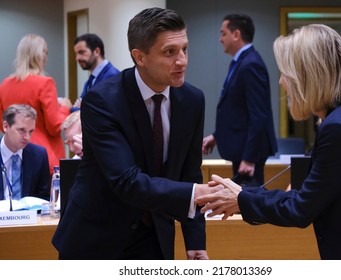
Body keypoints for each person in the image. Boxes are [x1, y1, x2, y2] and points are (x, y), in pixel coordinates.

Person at [196, 24, 341, 260]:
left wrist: (240, 199)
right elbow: (304, 196)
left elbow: (301, 208)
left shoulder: (340, 127)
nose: (281, 82)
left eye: (286, 73)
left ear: (308, 76)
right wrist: (243, 195)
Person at [52, 7, 218, 260]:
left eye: (185, 49)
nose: (182, 60)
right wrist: (198, 193)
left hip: (155, 238)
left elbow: (189, 172)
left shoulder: (192, 100)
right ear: (140, 57)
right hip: (96, 239)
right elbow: (126, 180)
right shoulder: (103, 99)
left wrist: (194, 240)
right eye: (170, 52)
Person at [202, 14, 277, 187]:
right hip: (243, 148)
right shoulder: (241, 62)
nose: (220, 39)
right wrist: (216, 136)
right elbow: (238, 111)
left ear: (236, 34)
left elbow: (258, 115)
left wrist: (249, 158)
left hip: (249, 152)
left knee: (250, 205)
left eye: (223, 33)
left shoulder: (251, 64)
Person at [0, 34, 71, 174]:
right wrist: (64, 108)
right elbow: (54, 126)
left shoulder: (5, 84)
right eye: (45, 52)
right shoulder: (45, 83)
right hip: (43, 156)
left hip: (13, 153)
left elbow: (2, 124)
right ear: (40, 55)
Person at [0, 104, 50, 201]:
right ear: (5, 126)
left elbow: (43, 198)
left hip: (29, 215)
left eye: (31, 131)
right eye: (22, 130)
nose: (27, 137)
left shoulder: (39, 155)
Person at [71, 33, 120, 111]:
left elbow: (97, 112)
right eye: (76, 54)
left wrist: (76, 108)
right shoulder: (89, 81)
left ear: (96, 51)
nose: (77, 58)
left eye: (81, 52)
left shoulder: (112, 77)